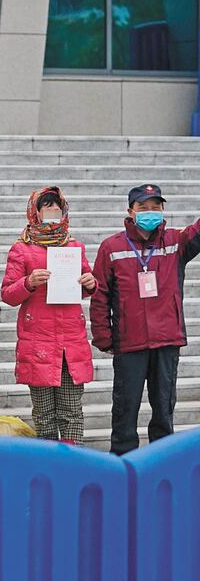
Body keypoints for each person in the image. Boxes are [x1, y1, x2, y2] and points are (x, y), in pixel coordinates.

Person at [91, 184, 200, 455]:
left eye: (156, 207)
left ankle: (162, 467)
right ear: (130, 211)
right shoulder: (111, 247)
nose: (150, 212)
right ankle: (122, 465)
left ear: (163, 210)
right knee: (125, 410)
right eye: (143, 207)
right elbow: (100, 294)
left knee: (164, 409)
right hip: (130, 343)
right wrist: (104, 336)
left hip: (167, 340)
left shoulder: (177, 241)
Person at [1, 187, 96, 445]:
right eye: (47, 208)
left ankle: (74, 468)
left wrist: (90, 283)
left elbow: (87, 285)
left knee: (72, 414)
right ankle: (49, 473)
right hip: (39, 344)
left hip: (71, 343)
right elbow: (8, 294)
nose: (53, 214)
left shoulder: (74, 246)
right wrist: (29, 282)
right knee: (44, 416)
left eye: (57, 208)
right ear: (35, 213)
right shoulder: (21, 249)